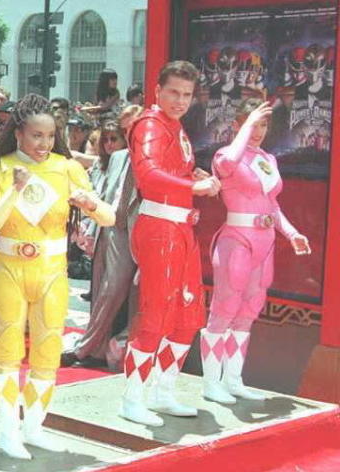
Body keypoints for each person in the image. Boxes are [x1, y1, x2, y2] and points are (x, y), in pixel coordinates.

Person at [0, 94, 114, 459]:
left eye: (50, 136)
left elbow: (109, 217)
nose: (43, 144)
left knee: (48, 351)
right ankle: (8, 433)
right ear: (18, 133)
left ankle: (34, 428)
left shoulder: (67, 169)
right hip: (9, 268)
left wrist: (90, 205)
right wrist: (15, 188)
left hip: (53, 270)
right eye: (36, 135)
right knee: (7, 350)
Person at [120, 60, 222, 427]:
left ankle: (162, 392)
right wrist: (191, 186)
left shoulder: (172, 126)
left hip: (179, 228)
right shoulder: (150, 124)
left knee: (189, 315)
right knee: (157, 313)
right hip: (160, 228)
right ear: (158, 91)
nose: (180, 100)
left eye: (187, 94)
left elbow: (165, 171)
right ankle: (133, 397)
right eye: (174, 92)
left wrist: (189, 176)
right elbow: (146, 173)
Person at [202, 98, 310, 404]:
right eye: (253, 123)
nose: (259, 130)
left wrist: (290, 232)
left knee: (249, 311)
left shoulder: (267, 159)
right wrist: (246, 126)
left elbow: (271, 204)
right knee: (224, 310)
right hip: (237, 238)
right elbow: (224, 168)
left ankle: (233, 379)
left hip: (265, 241)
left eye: (263, 124)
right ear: (238, 124)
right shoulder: (227, 154)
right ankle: (212, 382)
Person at [63, 107, 143, 369]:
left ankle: (84, 348)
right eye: (108, 137)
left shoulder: (149, 157)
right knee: (100, 292)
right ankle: (94, 350)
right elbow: (101, 188)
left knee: (114, 291)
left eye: (115, 137)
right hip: (106, 229)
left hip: (132, 234)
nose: (110, 143)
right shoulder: (117, 157)